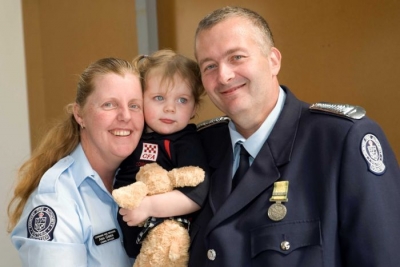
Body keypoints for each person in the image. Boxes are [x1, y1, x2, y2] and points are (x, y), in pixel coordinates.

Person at [189, 6, 400, 267]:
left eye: (237, 57)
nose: (224, 76)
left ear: (273, 60)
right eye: (209, 66)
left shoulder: (341, 140)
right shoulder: (198, 149)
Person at [7, 57, 144, 267]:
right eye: (109, 104)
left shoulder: (145, 178)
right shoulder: (55, 200)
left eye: (135, 105)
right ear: (79, 114)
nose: (125, 116)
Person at [114, 49, 209, 258]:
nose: (170, 108)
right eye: (159, 98)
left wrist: (149, 206)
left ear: (194, 108)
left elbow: (197, 194)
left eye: (182, 100)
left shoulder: (185, 141)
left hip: (164, 243)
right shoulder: (132, 133)